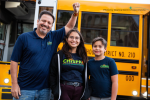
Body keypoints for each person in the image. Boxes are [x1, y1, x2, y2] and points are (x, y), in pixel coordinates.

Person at [10, 2, 80, 100]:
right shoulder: (24, 38)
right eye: (43, 21)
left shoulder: (54, 37)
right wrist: (14, 84)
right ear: (38, 21)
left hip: (46, 90)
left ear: (51, 25)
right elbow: (14, 61)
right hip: (25, 90)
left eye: (49, 23)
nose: (45, 24)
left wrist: (75, 13)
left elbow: (69, 27)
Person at [50, 28, 91, 100]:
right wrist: (55, 90)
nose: (74, 40)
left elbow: (86, 76)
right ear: (66, 39)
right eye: (71, 37)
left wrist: (86, 92)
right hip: (63, 89)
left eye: (77, 38)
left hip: (79, 90)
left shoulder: (83, 56)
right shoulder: (59, 55)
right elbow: (52, 74)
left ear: (80, 41)